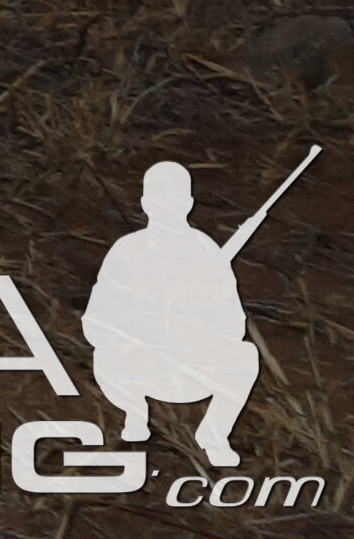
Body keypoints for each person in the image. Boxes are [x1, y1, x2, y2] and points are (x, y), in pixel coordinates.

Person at [80, 158, 264, 467]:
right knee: (106, 354)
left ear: (188, 203)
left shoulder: (207, 252)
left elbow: (234, 324)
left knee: (245, 357)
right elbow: (95, 321)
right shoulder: (126, 250)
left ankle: (214, 433)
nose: (166, 207)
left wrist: (198, 319)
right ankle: (135, 412)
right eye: (158, 199)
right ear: (145, 203)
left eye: (174, 199)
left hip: (191, 365)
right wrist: (136, 329)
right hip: (136, 365)